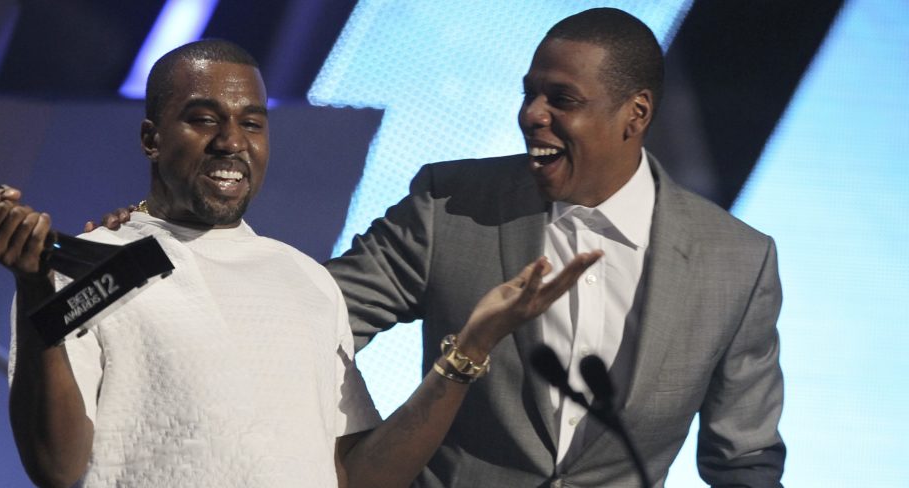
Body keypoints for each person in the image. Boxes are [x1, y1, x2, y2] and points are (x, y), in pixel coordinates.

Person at [0, 40, 601, 487]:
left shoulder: (307, 282)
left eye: (252, 123)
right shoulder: (84, 269)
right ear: (151, 138)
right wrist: (36, 289)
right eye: (203, 119)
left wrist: (470, 346)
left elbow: (356, 477)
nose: (231, 141)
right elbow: (58, 469)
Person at [323, 8, 785, 488]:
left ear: (636, 113)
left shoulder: (737, 263)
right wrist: (352, 449)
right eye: (529, 94)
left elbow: (745, 460)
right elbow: (311, 321)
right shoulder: (451, 206)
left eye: (562, 99)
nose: (532, 114)